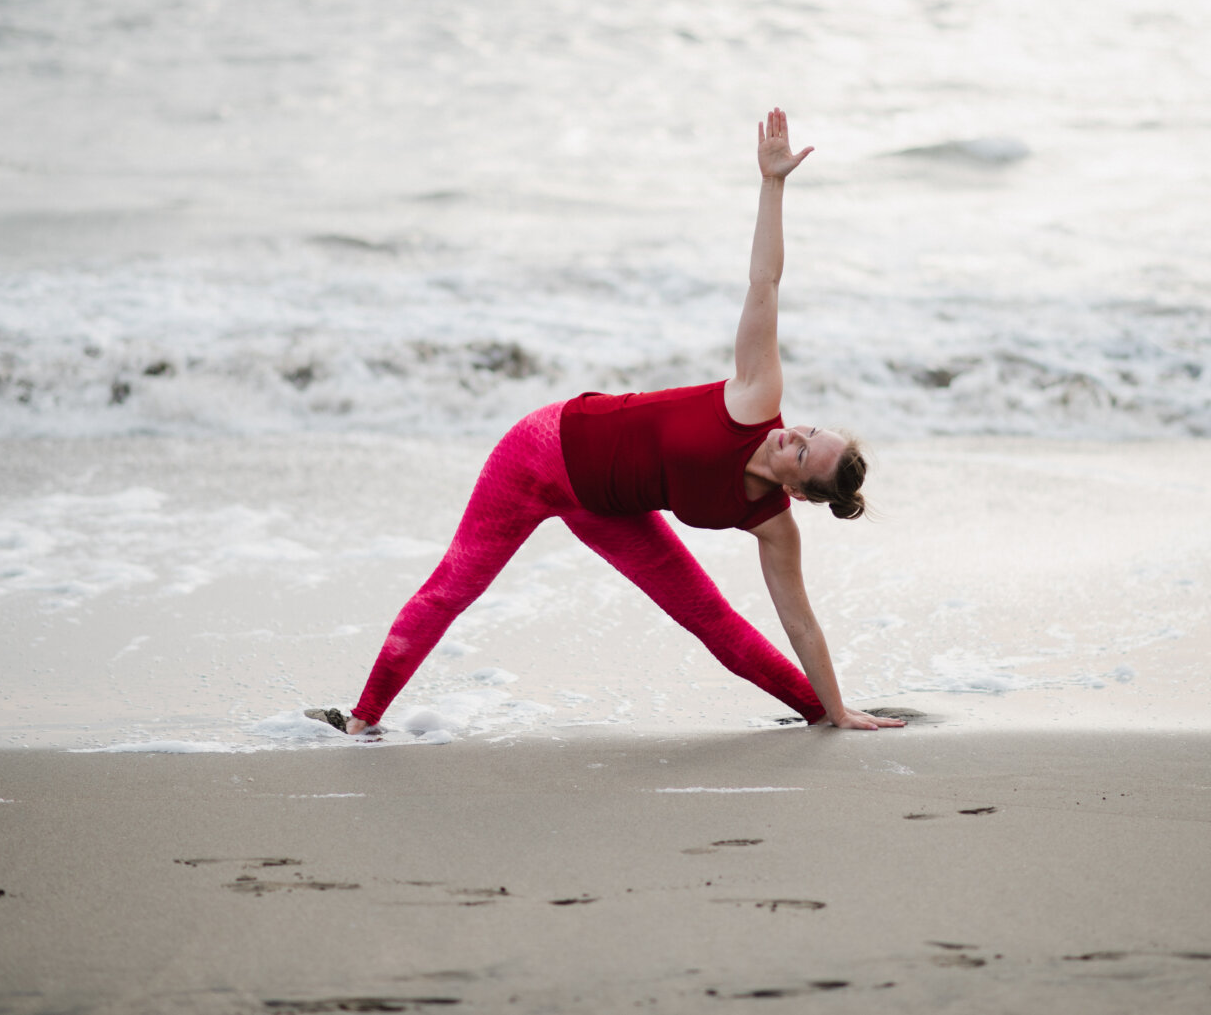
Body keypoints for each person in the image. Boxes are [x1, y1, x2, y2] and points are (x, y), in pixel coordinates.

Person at [311, 109, 904, 735]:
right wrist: (773, 184)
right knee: (454, 588)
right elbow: (765, 282)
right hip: (539, 453)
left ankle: (822, 715)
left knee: (712, 620)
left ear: (796, 490)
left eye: (803, 454)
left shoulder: (774, 528)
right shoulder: (757, 396)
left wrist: (837, 709)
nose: (793, 435)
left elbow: (800, 621)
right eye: (809, 431)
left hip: (609, 509)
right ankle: (360, 719)